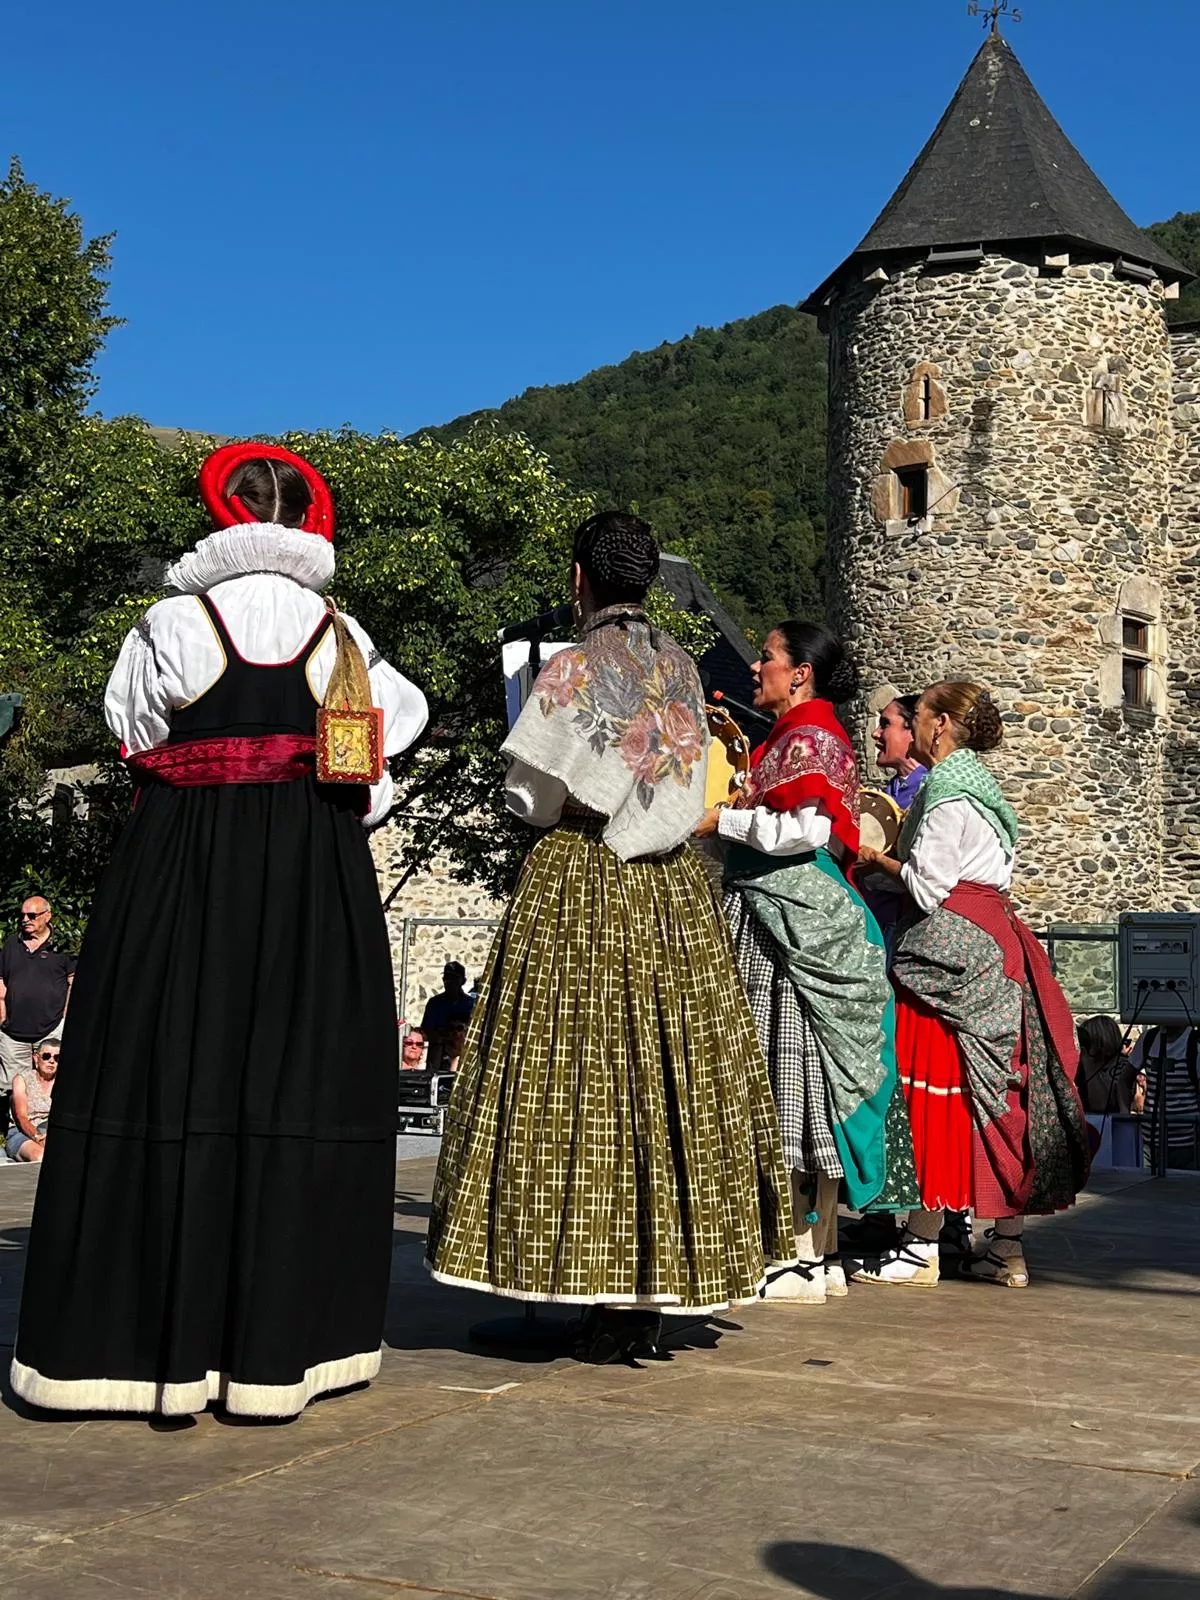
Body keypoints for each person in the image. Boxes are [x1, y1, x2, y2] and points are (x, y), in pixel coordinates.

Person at [11, 443, 428, 1418]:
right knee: (290, 1079)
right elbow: (375, 766)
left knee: (169, 1068)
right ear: (299, 520)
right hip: (309, 878)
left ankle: (154, 1348)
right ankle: (272, 1360)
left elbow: (137, 735)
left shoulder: (172, 620)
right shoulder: (342, 637)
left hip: (184, 864)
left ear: (227, 513)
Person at [426, 511, 794, 1364]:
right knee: (667, 1077)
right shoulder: (679, 665)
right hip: (670, 889)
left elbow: (532, 799)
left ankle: (583, 1275)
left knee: (574, 1073)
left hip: (582, 880)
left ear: (578, 579)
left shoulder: (570, 667)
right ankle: (650, 1284)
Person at [694, 621, 918, 1305]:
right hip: (794, 914)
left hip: (790, 922)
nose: (757, 665)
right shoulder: (796, 739)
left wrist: (719, 822)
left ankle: (796, 1254)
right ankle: (814, 1256)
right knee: (805, 1078)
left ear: (802, 675)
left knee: (783, 1071)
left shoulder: (812, 738)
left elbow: (808, 832)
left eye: (768, 656)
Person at [853, 681, 1089, 1289]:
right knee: (1002, 1089)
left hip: (952, 945)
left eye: (921, 714)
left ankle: (922, 1242)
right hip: (1001, 943)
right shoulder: (988, 792)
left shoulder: (945, 790)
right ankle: (1004, 1246)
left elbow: (930, 888)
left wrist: (876, 862)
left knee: (936, 1081)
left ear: (939, 727)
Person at [0, 898, 75, 1136]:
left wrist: (65, 1018)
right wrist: (2, 1016)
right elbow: (1, 981)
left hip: (51, 1029)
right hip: (13, 1033)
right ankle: (16, 1134)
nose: (25, 920)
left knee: (53, 1081)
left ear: (47, 916)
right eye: (22, 915)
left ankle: (51, 1133)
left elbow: (74, 983)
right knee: (13, 1086)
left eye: (32, 916)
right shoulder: (12, 944)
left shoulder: (62, 945)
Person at [1130, 1025, 1200, 1170]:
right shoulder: (1148, 1039)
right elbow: (1124, 1079)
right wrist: (1126, 1117)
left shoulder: (1194, 1043)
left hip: (1188, 1145)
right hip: (1149, 1143)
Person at [4, 1036, 59, 1163]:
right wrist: (38, 1137)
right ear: (36, 1058)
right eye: (46, 1056)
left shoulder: (64, 1083)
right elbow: (21, 1117)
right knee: (40, 1157)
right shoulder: (22, 1080)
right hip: (24, 1133)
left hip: (53, 1133)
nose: (51, 1061)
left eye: (57, 1058)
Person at [420, 962, 475, 1072]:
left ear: (462, 981)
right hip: (438, 1057)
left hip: (462, 1055)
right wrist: (443, 1036)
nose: (449, 982)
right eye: (446, 978)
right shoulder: (434, 1003)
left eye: (454, 978)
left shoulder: (471, 1004)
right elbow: (425, 1031)